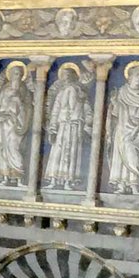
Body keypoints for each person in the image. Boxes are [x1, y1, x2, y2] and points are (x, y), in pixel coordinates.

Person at [106, 60, 139, 195]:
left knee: (134, 156)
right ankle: (121, 185)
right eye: (136, 74)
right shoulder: (122, 92)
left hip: (137, 131)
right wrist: (114, 102)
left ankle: (134, 185)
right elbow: (115, 113)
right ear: (130, 76)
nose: (138, 77)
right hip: (122, 129)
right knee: (121, 157)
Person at [44, 63, 93, 191]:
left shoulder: (81, 93)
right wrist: (53, 128)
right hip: (62, 126)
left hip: (75, 125)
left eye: (68, 75)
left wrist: (87, 126)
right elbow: (55, 111)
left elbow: (87, 110)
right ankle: (54, 180)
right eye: (64, 76)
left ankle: (67, 181)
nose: (66, 78)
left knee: (71, 153)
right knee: (57, 152)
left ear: (74, 77)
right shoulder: (60, 94)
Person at [0, 61, 31, 186]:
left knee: (14, 147)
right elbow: (0, 105)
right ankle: (5, 177)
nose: (17, 76)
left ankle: (18, 178)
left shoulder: (24, 89)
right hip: (3, 122)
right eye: (15, 73)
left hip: (16, 123)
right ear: (10, 75)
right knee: (2, 147)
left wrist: (23, 123)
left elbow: (28, 107)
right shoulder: (5, 88)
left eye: (19, 74)